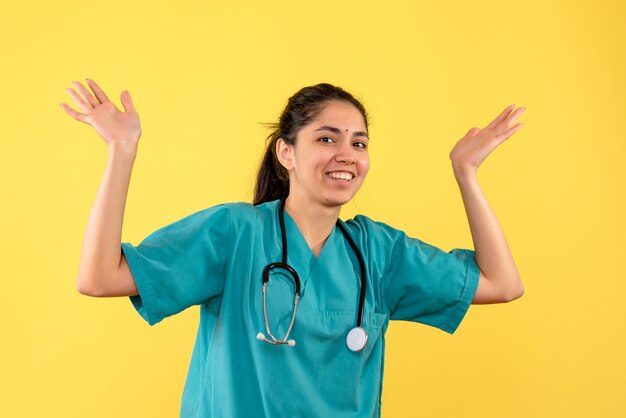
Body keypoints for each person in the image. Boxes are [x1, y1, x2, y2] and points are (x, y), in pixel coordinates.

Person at [60, 79, 525, 417]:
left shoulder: (378, 253)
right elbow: (98, 278)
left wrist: (466, 171)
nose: (347, 154)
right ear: (287, 153)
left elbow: (501, 284)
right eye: (327, 138)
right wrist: (122, 150)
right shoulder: (235, 233)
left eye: (359, 142)